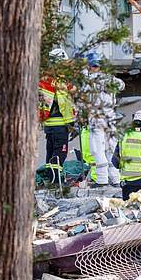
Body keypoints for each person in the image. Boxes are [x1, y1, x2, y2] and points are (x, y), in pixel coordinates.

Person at [81, 52, 125, 188]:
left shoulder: (89, 82)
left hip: (96, 119)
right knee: (111, 148)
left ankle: (102, 180)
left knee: (97, 149)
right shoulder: (109, 79)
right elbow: (121, 86)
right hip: (110, 118)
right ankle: (116, 179)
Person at [38, 49, 75, 185]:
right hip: (60, 125)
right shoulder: (60, 82)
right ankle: (56, 181)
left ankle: (51, 179)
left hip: (48, 125)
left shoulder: (44, 80)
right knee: (60, 153)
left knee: (51, 152)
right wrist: (71, 123)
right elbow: (64, 103)